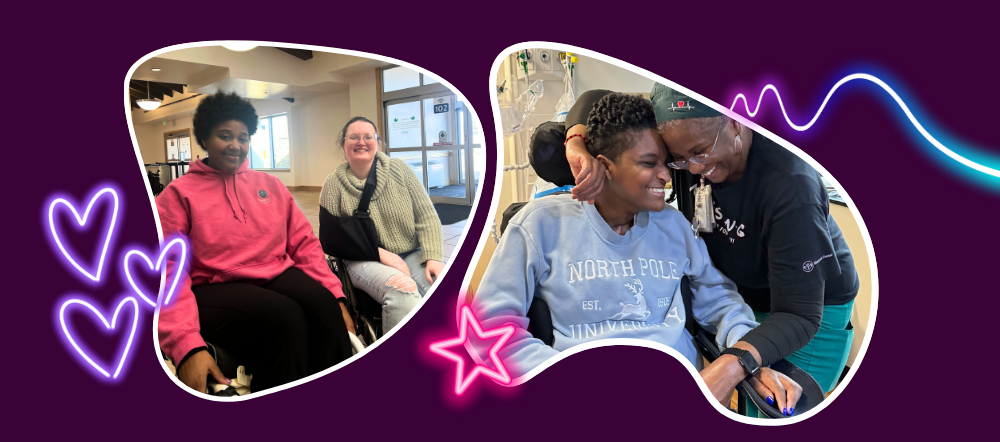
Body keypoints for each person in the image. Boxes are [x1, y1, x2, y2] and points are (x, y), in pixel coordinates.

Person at [475, 93, 802, 415]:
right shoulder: (541, 225)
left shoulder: (674, 226)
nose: (666, 175)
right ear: (605, 167)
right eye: (649, 163)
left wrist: (747, 358)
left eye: (666, 162)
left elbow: (720, 302)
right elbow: (490, 330)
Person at [565, 86, 859, 396]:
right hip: (743, 300)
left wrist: (733, 363)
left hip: (807, 311)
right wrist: (575, 146)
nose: (693, 168)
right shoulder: (686, 133)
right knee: (750, 391)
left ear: (735, 122)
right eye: (678, 158)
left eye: (700, 151)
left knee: (780, 403)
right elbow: (595, 104)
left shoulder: (791, 184)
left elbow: (799, 314)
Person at [156, 91, 354, 394]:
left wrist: (335, 294)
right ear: (205, 138)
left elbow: (303, 243)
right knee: (284, 318)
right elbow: (168, 270)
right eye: (225, 136)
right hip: (214, 284)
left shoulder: (270, 184)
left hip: (274, 271)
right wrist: (186, 342)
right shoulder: (178, 194)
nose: (235, 145)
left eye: (243, 138)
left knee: (325, 307)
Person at [319, 116, 444, 333]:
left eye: (368, 136)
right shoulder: (333, 184)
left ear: (378, 142)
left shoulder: (400, 170)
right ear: (343, 144)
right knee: (403, 290)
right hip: (362, 260)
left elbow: (427, 216)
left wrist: (433, 257)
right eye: (354, 137)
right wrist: (378, 253)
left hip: (409, 252)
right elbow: (331, 238)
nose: (361, 142)